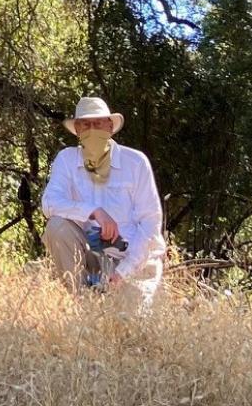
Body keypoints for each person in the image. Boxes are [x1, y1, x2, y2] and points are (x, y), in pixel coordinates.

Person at [41, 97, 165, 310]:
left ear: (110, 126)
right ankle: (83, 303)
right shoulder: (67, 159)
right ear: (77, 130)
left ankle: (117, 298)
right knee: (57, 226)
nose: (92, 130)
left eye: (98, 123)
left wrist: (123, 272)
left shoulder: (135, 162)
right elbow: (49, 203)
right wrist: (94, 211)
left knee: (127, 327)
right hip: (91, 256)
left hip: (133, 260)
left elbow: (150, 223)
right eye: (86, 125)